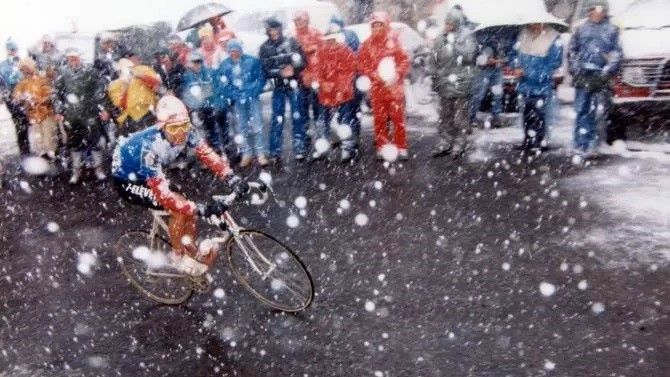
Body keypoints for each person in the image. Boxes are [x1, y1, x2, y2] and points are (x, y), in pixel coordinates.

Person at [111, 95, 244, 276]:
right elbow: (164, 195)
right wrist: (200, 208)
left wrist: (230, 177)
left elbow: (206, 154)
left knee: (188, 208)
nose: (181, 132)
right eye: (174, 128)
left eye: (184, 126)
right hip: (128, 179)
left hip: (149, 174)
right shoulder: (150, 148)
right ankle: (177, 256)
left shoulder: (187, 130)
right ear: (161, 126)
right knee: (180, 210)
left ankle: (190, 251)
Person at [568, 0, 622, 155]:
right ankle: (579, 144)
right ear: (589, 11)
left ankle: (593, 144)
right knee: (581, 110)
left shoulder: (612, 30)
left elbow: (617, 54)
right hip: (583, 75)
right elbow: (572, 51)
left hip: (601, 77)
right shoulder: (580, 29)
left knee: (598, 111)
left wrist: (606, 72)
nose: (597, 13)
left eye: (600, 10)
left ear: (605, 12)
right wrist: (576, 70)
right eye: (594, 10)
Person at [358, 11, 411, 160]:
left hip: (394, 89)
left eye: (379, 25)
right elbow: (361, 64)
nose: (377, 28)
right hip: (377, 89)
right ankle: (382, 147)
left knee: (398, 119)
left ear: (386, 25)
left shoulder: (394, 41)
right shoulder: (367, 44)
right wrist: (374, 75)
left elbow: (405, 61)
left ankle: (401, 147)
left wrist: (396, 74)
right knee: (380, 119)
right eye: (374, 25)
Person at [53, 48, 108, 183]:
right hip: (72, 116)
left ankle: (98, 170)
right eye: (70, 58)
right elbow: (56, 94)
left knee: (95, 143)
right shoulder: (62, 73)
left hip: (91, 114)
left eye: (75, 58)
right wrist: (59, 110)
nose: (73, 61)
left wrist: (103, 109)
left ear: (80, 58)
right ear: (67, 59)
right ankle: (76, 172)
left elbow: (100, 90)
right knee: (74, 145)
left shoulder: (91, 71)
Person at [258, 17, 307, 163]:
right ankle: (275, 152)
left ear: (280, 29)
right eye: (271, 30)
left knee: (297, 116)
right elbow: (265, 69)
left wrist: (294, 69)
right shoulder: (264, 48)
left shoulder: (291, 42)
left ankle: (300, 149)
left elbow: (303, 61)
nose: (274, 32)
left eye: (276, 29)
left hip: (294, 84)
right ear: (268, 31)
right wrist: (279, 72)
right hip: (278, 86)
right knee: (277, 119)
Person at [430, 9, 478, 159]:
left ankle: (459, 143)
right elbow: (434, 59)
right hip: (444, 84)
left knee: (460, 118)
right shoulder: (440, 38)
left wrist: (455, 45)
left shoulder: (467, 36)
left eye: (450, 23)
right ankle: (445, 142)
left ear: (457, 23)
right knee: (445, 117)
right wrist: (434, 77)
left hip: (461, 84)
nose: (447, 26)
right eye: (446, 23)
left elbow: (469, 56)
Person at [216, 40, 268, 168]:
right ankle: (247, 153)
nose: (234, 53)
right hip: (238, 101)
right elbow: (223, 84)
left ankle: (261, 153)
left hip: (252, 98)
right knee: (242, 126)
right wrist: (234, 94)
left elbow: (261, 78)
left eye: (236, 50)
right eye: (231, 51)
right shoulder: (224, 65)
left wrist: (253, 91)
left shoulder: (252, 61)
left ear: (241, 49)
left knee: (257, 125)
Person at [512, 23, 564, 152]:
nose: (534, 26)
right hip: (525, 84)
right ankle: (529, 140)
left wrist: (529, 72)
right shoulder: (523, 34)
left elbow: (554, 63)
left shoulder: (553, 37)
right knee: (527, 113)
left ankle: (540, 140)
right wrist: (516, 66)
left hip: (541, 85)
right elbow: (513, 54)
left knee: (540, 114)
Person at [313, 32, 358, 162]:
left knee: (345, 122)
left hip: (343, 95)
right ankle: (323, 147)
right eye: (328, 40)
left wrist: (340, 89)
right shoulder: (321, 52)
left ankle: (347, 149)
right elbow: (316, 72)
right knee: (323, 122)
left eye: (333, 39)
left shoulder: (346, 51)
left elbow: (350, 72)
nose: (330, 42)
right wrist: (322, 84)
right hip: (325, 94)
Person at [12, 58, 59, 162]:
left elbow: (50, 95)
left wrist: (38, 100)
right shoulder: (23, 82)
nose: (25, 71)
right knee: (38, 140)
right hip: (33, 115)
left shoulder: (42, 78)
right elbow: (16, 96)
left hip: (47, 113)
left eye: (25, 68)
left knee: (49, 138)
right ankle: (43, 158)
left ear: (31, 66)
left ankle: (52, 156)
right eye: (22, 70)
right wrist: (20, 98)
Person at [469, 27, 516, 128]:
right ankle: (471, 117)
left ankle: (496, 117)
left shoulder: (507, 32)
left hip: (497, 68)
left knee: (497, 94)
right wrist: (486, 58)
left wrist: (504, 59)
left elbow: (510, 50)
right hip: (483, 69)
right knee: (478, 94)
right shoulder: (482, 31)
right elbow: (478, 51)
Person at [181, 52, 225, 155]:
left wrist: (215, 104)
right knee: (202, 133)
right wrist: (194, 106)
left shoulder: (210, 73)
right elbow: (187, 93)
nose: (196, 64)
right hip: (198, 109)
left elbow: (217, 89)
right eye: (194, 62)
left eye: (198, 62)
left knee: (218, 131)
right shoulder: (187, 76)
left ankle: (220, 152)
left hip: (211, 107)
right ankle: (208, 154)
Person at [107, 58, 161, 136]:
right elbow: (121, 105)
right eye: (121, 71)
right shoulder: (114, 86)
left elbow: (157, 85)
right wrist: (125, 87)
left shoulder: (142, 72)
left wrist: (140, 76)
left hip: (148, 112)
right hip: (130, 120)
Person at [293, 10, 323, 148]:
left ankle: (321, 139)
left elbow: (322, 55)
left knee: (319, 111)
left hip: (316, 80)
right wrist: (302, 75)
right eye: (297, 20)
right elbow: (292, 60)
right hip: (300, 81)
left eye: (302, 20)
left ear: (307, 20)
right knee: (302, 112)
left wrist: (316, 76)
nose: (299, 23)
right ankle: (305, 140)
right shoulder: (292, 37)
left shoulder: (316, 34)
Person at [1, 39, 30, 156]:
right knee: (18, 121)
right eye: (10, 49)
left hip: (24, 96)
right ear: (7, 50)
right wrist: (6, 94)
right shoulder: (2, 65)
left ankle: (25, 144)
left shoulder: (23, 62)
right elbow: (1, 82)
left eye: (14, 49)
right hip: (11, 97)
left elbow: (29, 76)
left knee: (25, 121)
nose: (12, 51)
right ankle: (23, 147)